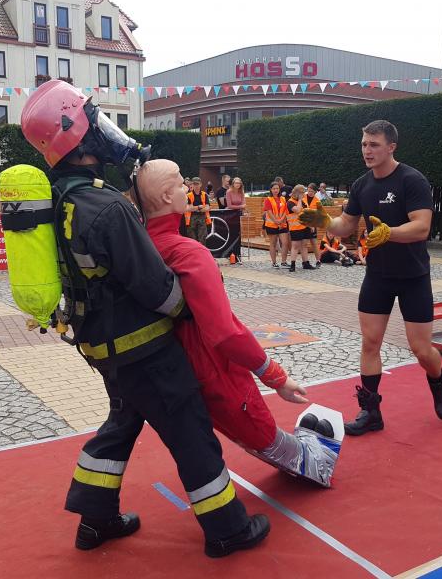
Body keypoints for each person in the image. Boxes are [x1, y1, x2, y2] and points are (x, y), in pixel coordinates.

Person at [19, 79, 268, 557]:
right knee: (189, 429)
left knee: (123, 422)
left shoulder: (60, 199)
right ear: (77, 135)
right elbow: (158, 289)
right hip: (144, 348)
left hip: (103, 346)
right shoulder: (107, 206)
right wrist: (194, 310)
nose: (104, 130)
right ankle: (227, 529)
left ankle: (96, 520)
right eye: (95, 121)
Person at [136, 159, 339, 487]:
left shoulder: (139, 247)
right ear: (164, 196)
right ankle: (306, 461)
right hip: (210, 367)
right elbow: (225, 332)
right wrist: (275, 376)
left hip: (165, 370)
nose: (187, 188)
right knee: (256, 428)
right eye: (179, 183)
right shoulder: (188, 253)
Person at [300, 119, 442, 436]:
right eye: (364, 144)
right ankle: (371, 412)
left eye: (374, 145)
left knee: (421, 349)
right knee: (370, 343)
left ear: (391, 147)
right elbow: (347, 224)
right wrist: (325, 222)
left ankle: (437, 382)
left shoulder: (412, 180)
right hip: (378, 276)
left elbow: (422, 227)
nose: (367, 151)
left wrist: (389, 233)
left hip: (413, 276)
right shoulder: (361, 185)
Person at [286, 185, 315, 272]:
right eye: (302, 193)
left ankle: (306, 263)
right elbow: (298, 210)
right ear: (297, 193)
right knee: (295, 246)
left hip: (305, 227)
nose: (304, 194)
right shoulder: (290, 202)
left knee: (304, 245)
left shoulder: (303, 202)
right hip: (295, 228)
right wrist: (299, 199)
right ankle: (293, 264)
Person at [262, 182, 289, 268]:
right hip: (271, 225)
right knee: (273, 244)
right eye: (274, 189)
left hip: (282, 224)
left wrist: (281, 220)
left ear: (279, 189)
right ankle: (274, 262)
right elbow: (269, 212)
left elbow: (285, 211)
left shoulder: (283, 199)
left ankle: (283, 262)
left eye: (277, 188)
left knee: (285, 243)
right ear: (271, 190)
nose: (276, 190)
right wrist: (276, 221)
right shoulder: (268, 199)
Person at [224, 177, 246, 264]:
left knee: (238, 235)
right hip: (230, 215)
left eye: (239, 183)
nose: (237, 185)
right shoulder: (229, 192)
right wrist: (240, 207)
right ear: (233, 184)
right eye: (236, 183)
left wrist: (242, 208)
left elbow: (244, 204)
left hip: (238, 215)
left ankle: (238, 253)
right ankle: (230, 254)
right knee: (231, 234)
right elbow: (229, 205)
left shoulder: (241, 192)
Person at [185, 178, 212, 245]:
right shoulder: (188, 195)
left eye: (197, 184)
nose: (196, 186)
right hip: (191, 218)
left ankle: (202, 251)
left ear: (201, 184)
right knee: (192, 238)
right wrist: (199, 207)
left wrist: (196, 208)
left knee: (202, 237)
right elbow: (188, 208)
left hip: (202, 217)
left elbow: (207, 207)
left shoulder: (204, 194)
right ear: (192, 185)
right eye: (194, 184)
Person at [303, 183, 323, 268]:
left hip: (312, 224)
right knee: (304, 244)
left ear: (315, 192)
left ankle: (318, 260)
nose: (309, 192)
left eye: (311, 191)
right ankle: (305, 261)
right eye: (308, 191)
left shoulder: (317, 201)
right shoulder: (303, 197)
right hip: (303, 224)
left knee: (314, 243)